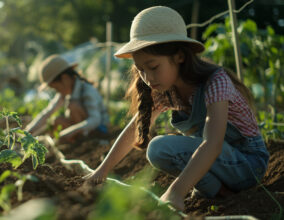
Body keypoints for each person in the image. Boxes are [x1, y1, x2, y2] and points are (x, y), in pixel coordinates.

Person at [85, 6, 269, 211]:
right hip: (220, 163)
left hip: (248, 164)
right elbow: (133, 130)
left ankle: (211, 189)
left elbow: (213, 144)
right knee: (157, 150)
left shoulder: (215, 82)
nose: (147, 78)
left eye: (153, 67)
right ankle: (219, 191)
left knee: (165, 146)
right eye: (141, 70)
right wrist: (101, 171)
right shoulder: (166, 91)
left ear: (180, 56)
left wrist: (176, 192)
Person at [25, 54, 109, 143]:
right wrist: (27, 132)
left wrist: (69, 132)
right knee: (56, 121)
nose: (57, 91)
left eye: (56, 88)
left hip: (100, 129)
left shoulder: (87, 90)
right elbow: (48, 113)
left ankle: (87, 141)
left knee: (73, 106)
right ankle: (76, 141)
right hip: (83, 130)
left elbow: (95, 120)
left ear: (64, 78)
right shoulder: (63, 94)